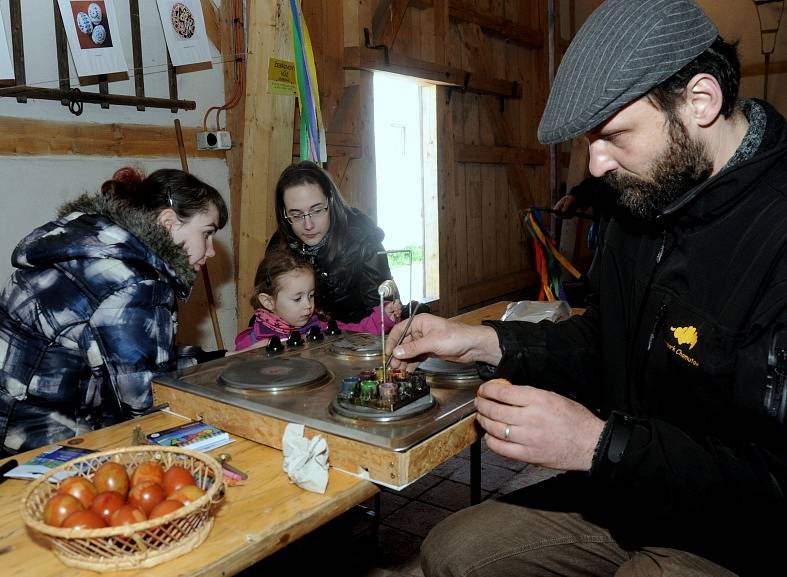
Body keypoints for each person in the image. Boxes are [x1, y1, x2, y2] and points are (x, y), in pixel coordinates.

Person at [386, 1, 787, 575]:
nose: (595, 165)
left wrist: (597, 446)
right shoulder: (643, 195)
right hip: (630, 492)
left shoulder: (776, 232)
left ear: (700, 101)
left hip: (734, 534)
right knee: (452, 552)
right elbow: (605, 340)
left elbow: (773, 483)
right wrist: (481, 343)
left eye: (613, 135)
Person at [0, 167, 228, 455]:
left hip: (10, 424)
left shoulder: (92, 244)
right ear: (169, 222)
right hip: (43, 446)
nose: (211, 251)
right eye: (206, 234)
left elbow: (129, 361)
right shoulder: (135, 281)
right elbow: (145, 400)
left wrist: (218, 361)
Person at [268, 160, 410, 324]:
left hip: (360, 341)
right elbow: (269, 312)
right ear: (284, 213)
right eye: (297, 215)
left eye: (317, 210)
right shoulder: (278, 246)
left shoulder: (364, 241)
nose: (308, 225)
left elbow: (384, 316)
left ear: (331, 201)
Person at [235, 247, 401, 351]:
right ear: (268, 302)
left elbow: (358, 334)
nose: (308, 305)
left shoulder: (320, 326)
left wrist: (383, 317)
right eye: (297, 299)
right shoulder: (251, 345)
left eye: (311, 295)